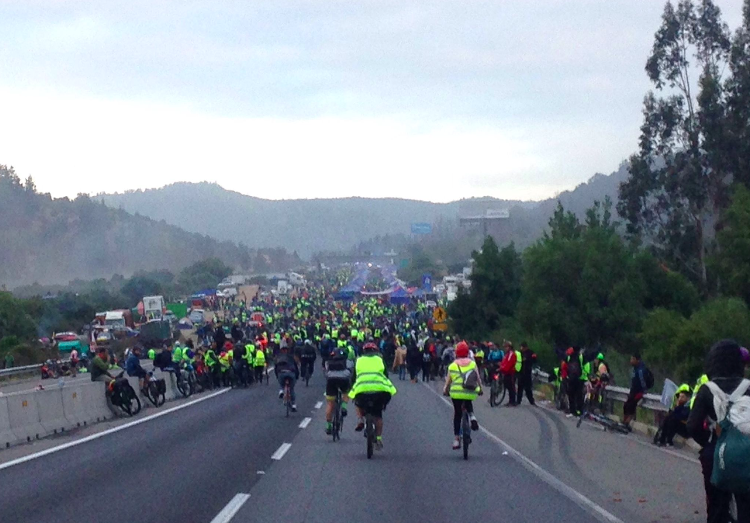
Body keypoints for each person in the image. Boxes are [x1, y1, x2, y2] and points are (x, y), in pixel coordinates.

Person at [687, 340, 750, 523]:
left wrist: (709, 442)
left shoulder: (707, 389)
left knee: (717, 506)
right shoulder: (748, 386)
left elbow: (692, 426)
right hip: (746, 454)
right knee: (746, 504)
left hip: (716, 454)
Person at [350, 342, 397, 450]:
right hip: (379, 392)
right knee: (378, 415)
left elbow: (354, 377)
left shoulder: (359, 360)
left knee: (356, 401)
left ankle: (360, 419)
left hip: (362, 391)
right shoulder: (380, 360)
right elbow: (386, 375)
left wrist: (353, 386)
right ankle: (379, 438)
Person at [443, 341, 482, 449]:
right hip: (470, 391)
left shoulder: (452, 365)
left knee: (457, 414)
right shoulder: (473, 364)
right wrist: (481, 389)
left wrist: (445, 390)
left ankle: (456, 439)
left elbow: (448, 382)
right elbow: (478, 378)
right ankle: (472, 416)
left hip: (456, 393)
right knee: (468, 399)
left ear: (456, 353)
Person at [324, 347, 352, 434]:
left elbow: (326, 372)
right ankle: (343, 406)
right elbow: (351, 371)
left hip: (331, 380)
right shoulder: (348, 361)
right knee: (346, 392)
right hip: (343, 379)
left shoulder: (328, 362)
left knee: (330, 403)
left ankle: (328, 425)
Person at [622, 352, 647, 430]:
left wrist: (643, 391)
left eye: (632, 359)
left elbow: (643, 381)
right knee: (626, 406)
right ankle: (624, 422)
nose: (631, 361)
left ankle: (627, 423)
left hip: (638, 391)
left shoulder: (641, 369)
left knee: (631, 406)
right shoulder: (634, 369)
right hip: (633, 390)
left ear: (637, 360)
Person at [274, 345, 299, 412]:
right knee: (291, 388)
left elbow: (276, 368)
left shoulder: (278, 357)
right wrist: (297, 376)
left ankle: (281, 390)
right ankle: (293, 404)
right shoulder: (291, 357)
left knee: (282, 384)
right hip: (291, 372)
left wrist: (277, 376)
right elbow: (296, 368)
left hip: (281, 372)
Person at [515, 342, 537, 406]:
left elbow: (534, 360)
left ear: (525, 347)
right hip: (521, 372)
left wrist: (528, 359)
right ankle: (518, 401)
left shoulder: (530, 352)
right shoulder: (520, 353)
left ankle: (531, 401)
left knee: (528, 388)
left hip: (527, 372)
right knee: (520, 387)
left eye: (522, 347)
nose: (521, 348)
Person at [499, 342, 518, 406]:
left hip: (510, 373)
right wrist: (501, 367)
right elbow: (504, 362)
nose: (505, 348)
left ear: (509, 347)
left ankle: (513, 401)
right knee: (508, 386)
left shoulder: (511, 354)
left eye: (506, 347)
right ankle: (511, 401)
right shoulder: (507, 354)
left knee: (511, 387)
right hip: (506, 372)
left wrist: (503, 368)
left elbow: (509, 363)